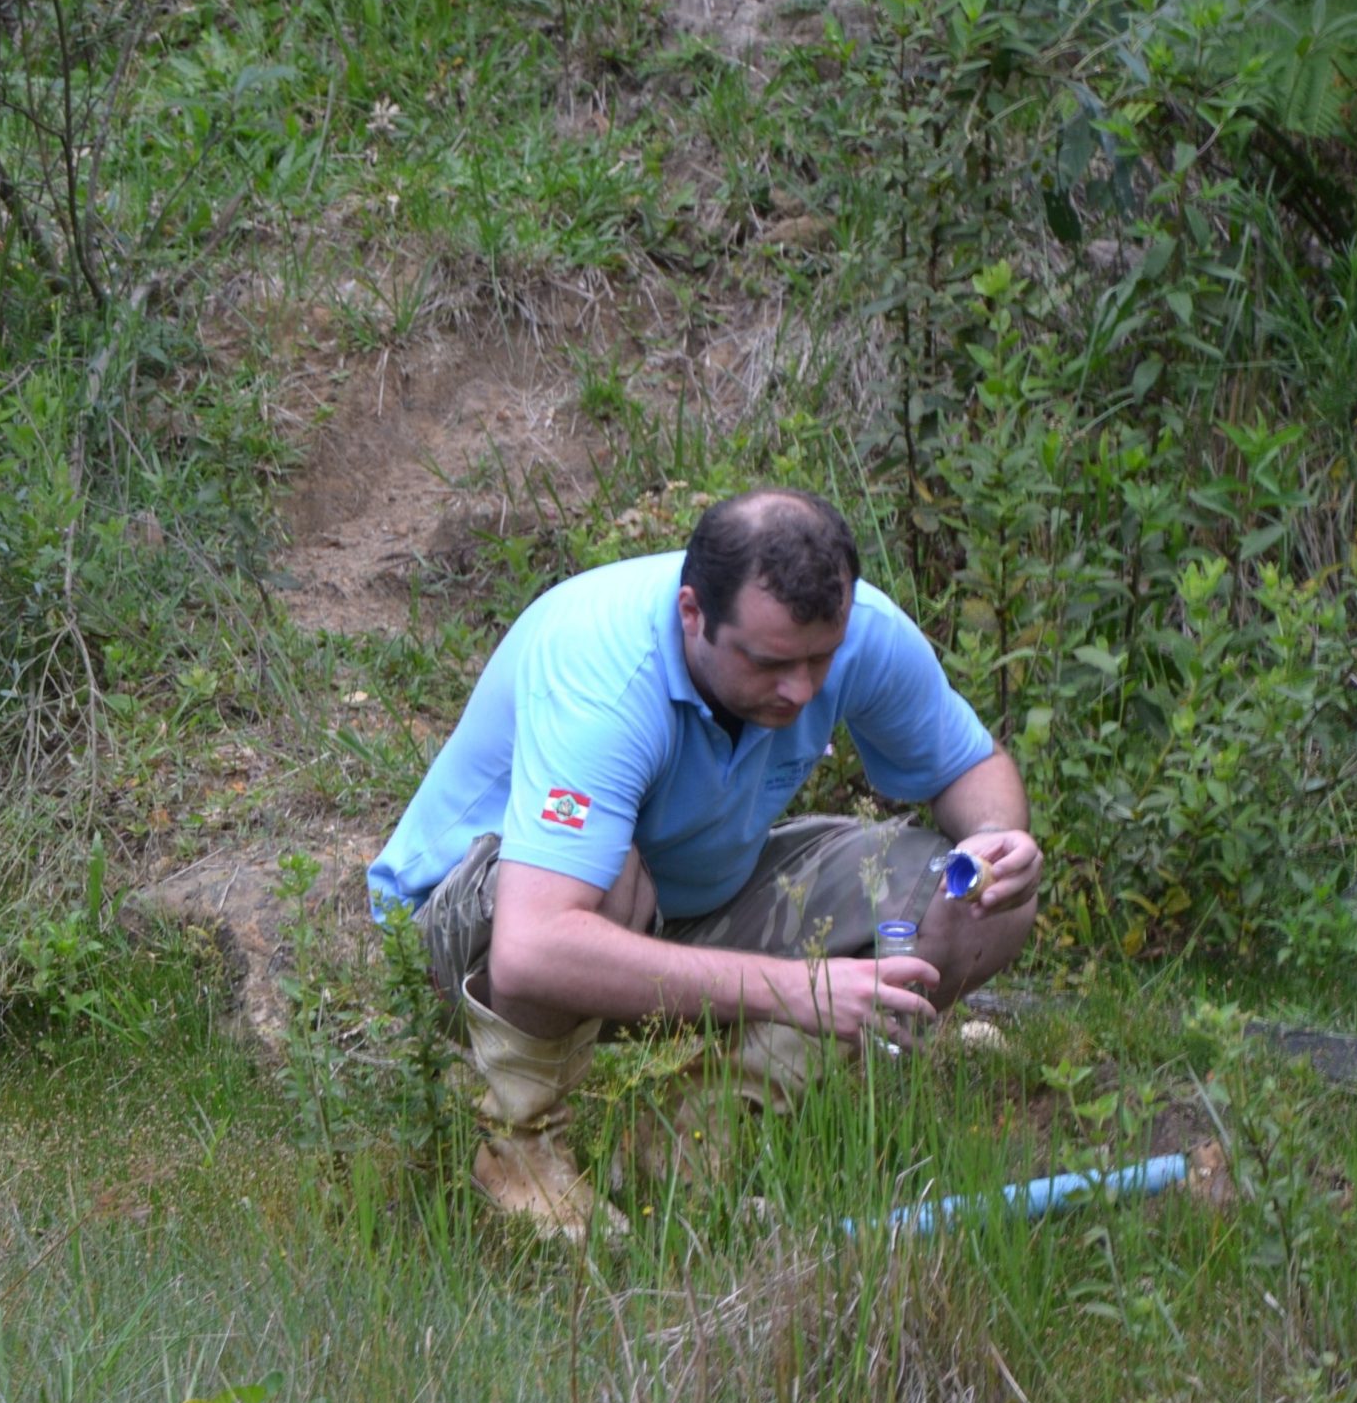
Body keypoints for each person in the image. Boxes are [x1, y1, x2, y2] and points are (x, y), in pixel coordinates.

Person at [366, 488, 1039, 1242]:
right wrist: (799, 990)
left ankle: (688, 1139)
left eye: (823, 658)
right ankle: (514, 1140)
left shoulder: (858, 632)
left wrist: (994, 842)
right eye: (772, 662)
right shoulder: (606, 670)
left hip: (693, 895)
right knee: (607, 874)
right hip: (472, 930)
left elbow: (971, 767)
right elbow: (531, 948)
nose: (803, 688)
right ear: (693, 613)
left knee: (972, 901)